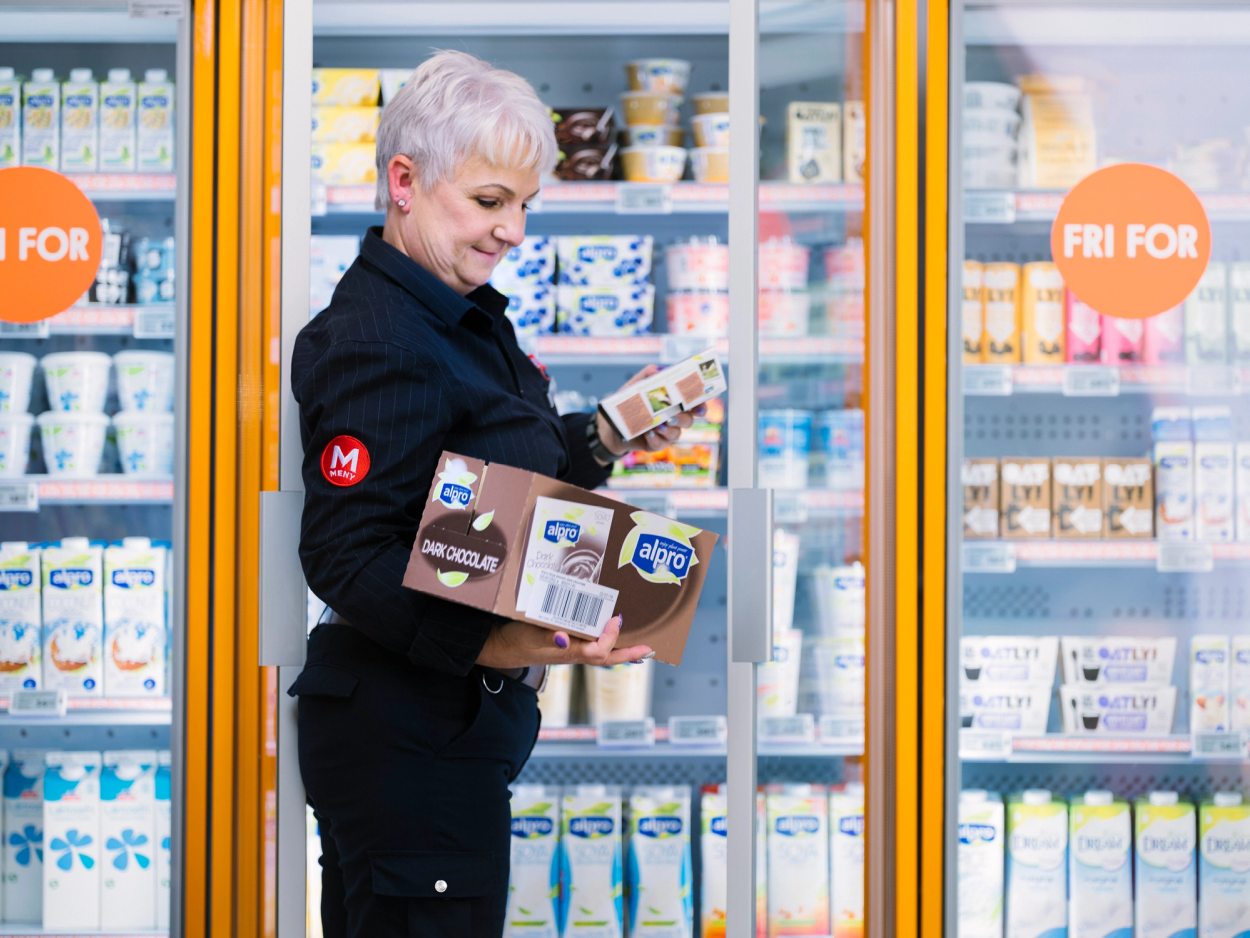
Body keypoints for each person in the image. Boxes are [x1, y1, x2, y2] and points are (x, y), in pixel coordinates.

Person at [289, 50, 701, 938]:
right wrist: (514, 639)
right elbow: (348, 553)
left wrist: (604, 437)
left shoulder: (458, 315)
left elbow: (493, 488)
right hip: (405, 744)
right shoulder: (378, 339)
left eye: (525, 204)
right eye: (489, 201)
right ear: (404, 181)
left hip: (433, 745)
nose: (513, 229)